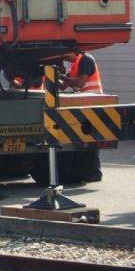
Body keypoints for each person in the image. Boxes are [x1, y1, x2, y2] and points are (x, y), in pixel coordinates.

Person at [59, 51, 104, 181]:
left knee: (91, 140)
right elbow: (63, 87)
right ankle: (84, 172)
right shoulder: (74, 66)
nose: (65, 60)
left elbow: (80, 83)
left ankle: (94, 173)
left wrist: (60, 76)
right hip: (83, 105)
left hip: (93, 103)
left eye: (65, 57)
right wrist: (53, 75)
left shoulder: (85, 59)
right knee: (83, 140)